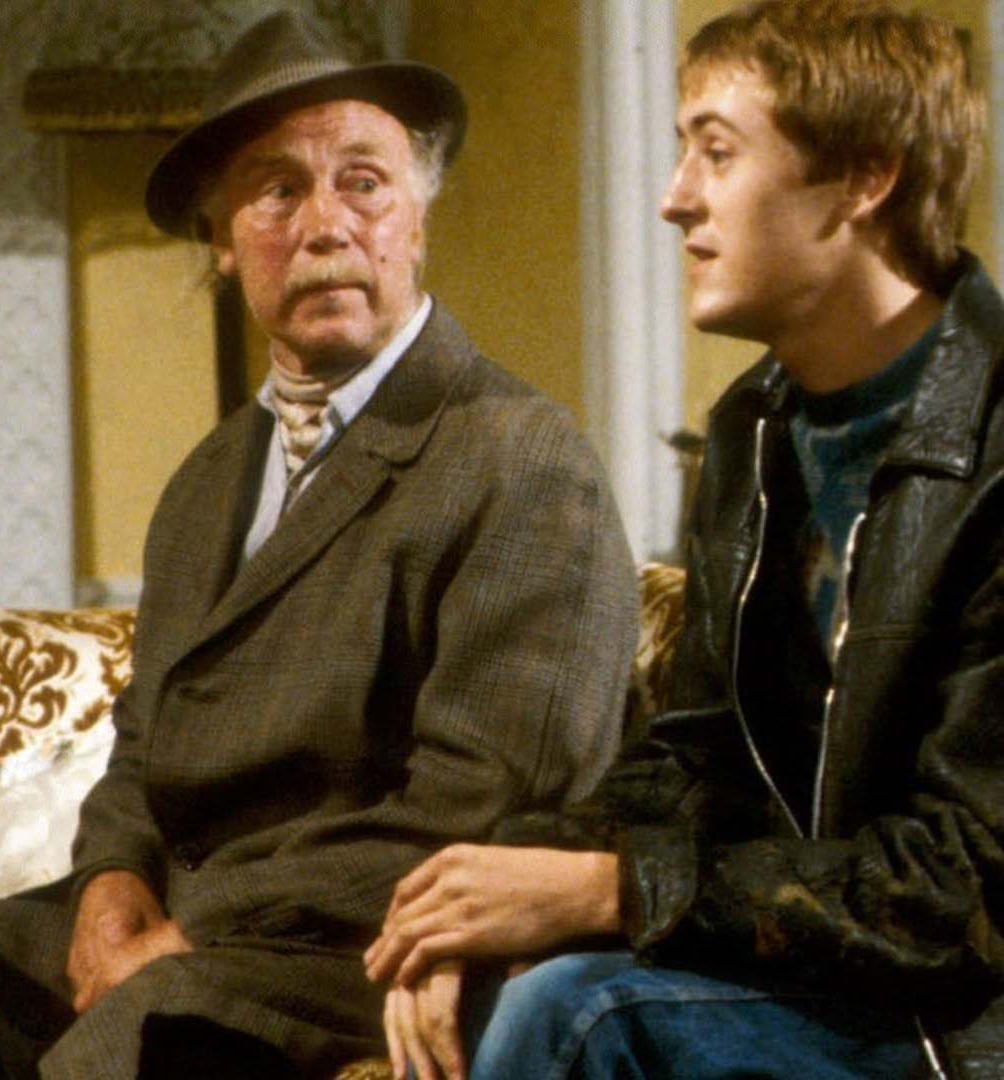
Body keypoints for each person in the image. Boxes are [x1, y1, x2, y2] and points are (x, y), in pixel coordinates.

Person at [0, 10, 639, 1078]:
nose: (326, 226)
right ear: (222, 238)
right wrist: (111, 881)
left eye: (364, 183)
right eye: (277, 191)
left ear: (418, 219)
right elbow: (144, 742)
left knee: (145, 1028)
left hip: (362, 938)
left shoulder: (521, 456)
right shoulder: (207, 483)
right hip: (206, 927)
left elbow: (485, 807)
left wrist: (193, 932)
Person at [363, 2, 1004, 1077]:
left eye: (718, 151)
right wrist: (477, 898)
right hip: (831, 983)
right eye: (680, 152)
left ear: (865, 177)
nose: (675, 198)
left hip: (962, 1019)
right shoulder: (757, 428)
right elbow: (696, 764)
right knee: (497, 983)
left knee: (580, 1015)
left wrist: (616, 890)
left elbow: (968, 889)